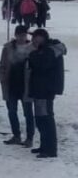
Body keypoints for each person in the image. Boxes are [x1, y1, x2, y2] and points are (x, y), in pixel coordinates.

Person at [28, 29, 67, 158]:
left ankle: (50, 149)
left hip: (45, 90)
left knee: (45, 119)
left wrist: (32, 55)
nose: (33, 41)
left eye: (35, 38)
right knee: (40, 119)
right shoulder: (45, 50)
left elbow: (41, 64)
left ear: (42, 37)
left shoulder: (50, 50)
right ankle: (45, 145)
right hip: (40, 89)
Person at [0, 26, 35, 146]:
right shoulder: (8, 48)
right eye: (19, 35)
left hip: (27, 86)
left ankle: (30, 138)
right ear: (15, 35)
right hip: (11, 85)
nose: (21, 38)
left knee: (28, 113)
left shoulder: (32, 49)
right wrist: (3, 78)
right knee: (12, 112)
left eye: (24, 35)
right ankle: (16, 135)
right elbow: (2, 65)